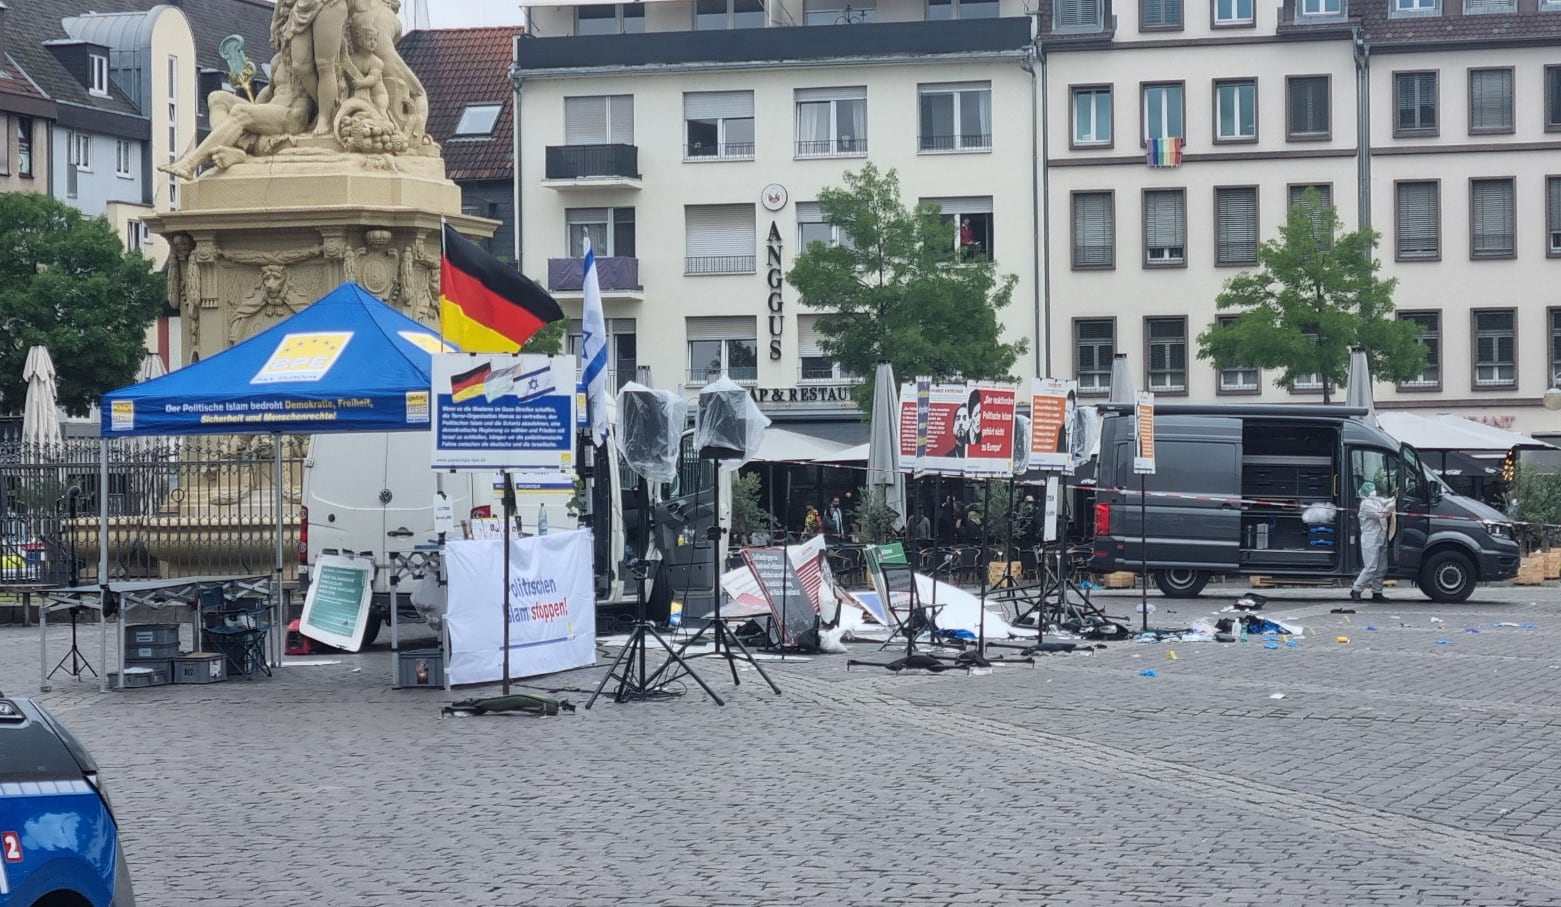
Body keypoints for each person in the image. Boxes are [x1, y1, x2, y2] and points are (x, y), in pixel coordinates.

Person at [1350, 481, 1395, 602]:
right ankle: (1356, 589)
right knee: (1370, 568)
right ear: (1366, 493)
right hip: (1370, 539)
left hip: (1381, 538)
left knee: (1381, 568)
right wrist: (1392, 505)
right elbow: (1381, 513)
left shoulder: (1376, 500)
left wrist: (1395, 497)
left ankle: (1377, 592)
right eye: (1371, 490)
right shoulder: (1365, 504)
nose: (1374, 491)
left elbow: (1387, 501)